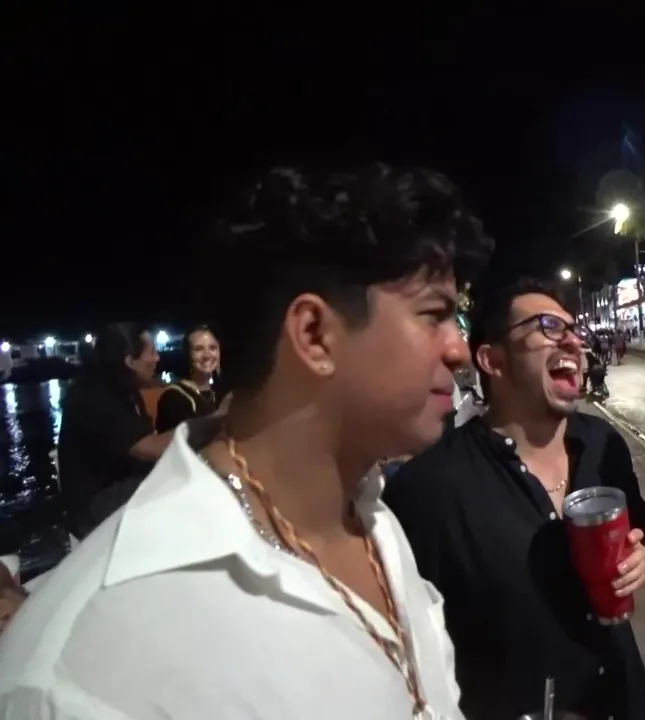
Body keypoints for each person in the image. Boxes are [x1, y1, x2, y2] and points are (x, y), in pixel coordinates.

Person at [0, 163, 492, 719]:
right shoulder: (86, 673)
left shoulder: (373, 519)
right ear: (314, 335)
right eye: (434, 315)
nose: (459, 350)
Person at [384, 278, 645, 720]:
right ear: (492, 360)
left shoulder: (601, 443)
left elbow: (643, 527)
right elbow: (412, 656)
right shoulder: (429, 490)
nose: (573, 340)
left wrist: (642, 556)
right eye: (548, 326)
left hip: (625, 703)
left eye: (573, 329)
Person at [56, 322, 168, 539]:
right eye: (152, 352)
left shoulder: (128, 391)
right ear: (130, 361)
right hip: (92, 509)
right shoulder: (92, 396)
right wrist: (211, 425)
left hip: (121, 487)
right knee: (170, 486)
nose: (157, 358)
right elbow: (149, 448)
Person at [154, 325, 224, 433]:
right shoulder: (174, 398)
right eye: (198, 349)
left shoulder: (220, 393)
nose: (207, 355)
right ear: (188, 355)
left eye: (212, 348)